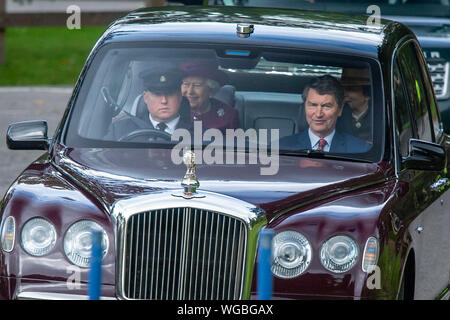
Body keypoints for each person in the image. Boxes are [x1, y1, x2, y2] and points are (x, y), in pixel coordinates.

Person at [280, 75, 370, 153]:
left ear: (340, 109)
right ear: (305, 107)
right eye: (313, 105)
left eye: (326, 106)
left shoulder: (360, 149)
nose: (318, 114)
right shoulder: (281, 147)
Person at [105, 65, 192, 141]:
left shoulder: (199, 135)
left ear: (180, 96)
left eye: (170, 94)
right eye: (157, 94)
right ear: (145, 97)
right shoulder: (120, 131)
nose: (164, 101)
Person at [180, 61, 240, 133]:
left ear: (211, 90)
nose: (190, 92)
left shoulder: (228, 115)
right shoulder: (171, 110)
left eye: (197, 85)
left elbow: (236, 143)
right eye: (186, 84)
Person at [339, 68, 372, 143]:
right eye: (343, 89)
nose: (345, 94)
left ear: (367, 95)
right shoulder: (338, 116)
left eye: (351, 89)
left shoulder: (378, 116)